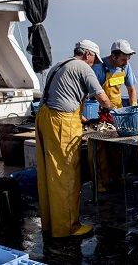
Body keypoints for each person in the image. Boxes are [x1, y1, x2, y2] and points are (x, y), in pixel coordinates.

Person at [35, 39, 114, 238]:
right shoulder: (83, 67)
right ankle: (67, 227)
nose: (94, 62)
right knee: (66, 175)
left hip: (44, 117)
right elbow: (102, 97)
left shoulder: (59, 65)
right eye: (94, 58)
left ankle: (50, 224)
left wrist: (80, 116)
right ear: (88, 54)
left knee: (49, 173)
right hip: (61, 122)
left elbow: (60, 94)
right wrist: (111, 110)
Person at [89, 39, 138, 192]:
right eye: (123, 58)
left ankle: (117, 177)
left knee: (117, 148)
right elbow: (91, 94)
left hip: (118, 113)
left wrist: (134, 110)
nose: (126, 62)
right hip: (100, 113)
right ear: (113, 56)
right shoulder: (99, 68)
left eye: (128, 58)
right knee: (100, 149)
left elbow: (131, 90)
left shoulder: (126, 67)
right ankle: (101, 183)